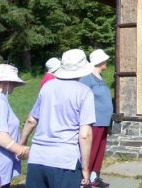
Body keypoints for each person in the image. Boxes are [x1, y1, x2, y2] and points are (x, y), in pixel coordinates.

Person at [20, 49, 95, 188]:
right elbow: (85, 135)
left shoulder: (47, 87)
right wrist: (85, 168)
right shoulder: (84, 92)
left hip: (38, 157)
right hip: (65, 160)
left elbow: (32, 120)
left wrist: (22, 143)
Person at [79, 49, 114, 188]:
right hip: (94, 121)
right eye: (105, 60)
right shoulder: (87, 78)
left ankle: (94, 177)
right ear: (99, 62)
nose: (107, 62)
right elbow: (80, 97)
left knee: (100, 150)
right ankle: (84, 179)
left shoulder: (101, 77)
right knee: (91, 150)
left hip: (104, 121)